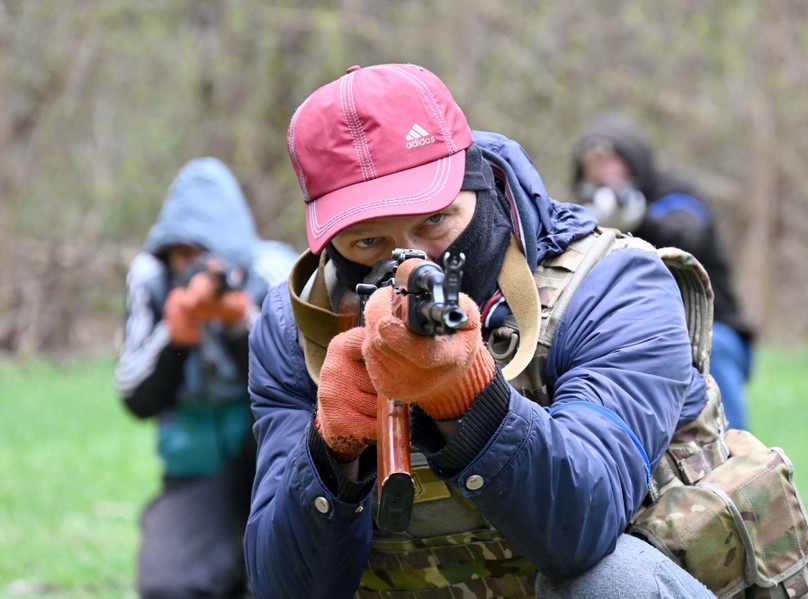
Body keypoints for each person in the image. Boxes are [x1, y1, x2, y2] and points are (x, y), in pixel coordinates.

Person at [244, 63, 720, 598]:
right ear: (329, 244)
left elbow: (582, 532)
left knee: (611, 583)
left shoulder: (613, 284)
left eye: (434, 222)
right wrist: (331, 455)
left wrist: (468, 401)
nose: (412, 258)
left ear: (479, 188)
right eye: (367, 244)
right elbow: (281, 587)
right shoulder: (296, 328)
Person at [115, 157, 297, 599]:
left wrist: (239, 324)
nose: (192, 268)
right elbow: (134, 397)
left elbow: (302, 383)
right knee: (169, 585)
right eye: (182, 255)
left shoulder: (274, 271)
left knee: (288, 579)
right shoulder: (151, 280)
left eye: (203, 256)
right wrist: (176, 333)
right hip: (196, 463)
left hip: (274, 461)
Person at [570, 113, 756, 431]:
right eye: (596, 167)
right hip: (633, 334)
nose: (605, 175)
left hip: (711, 329)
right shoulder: (579, 215)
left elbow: (687, 233)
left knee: (717, 355)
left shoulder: (676, 193)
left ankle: (736, 456)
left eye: (613, 163)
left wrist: (639, 220)